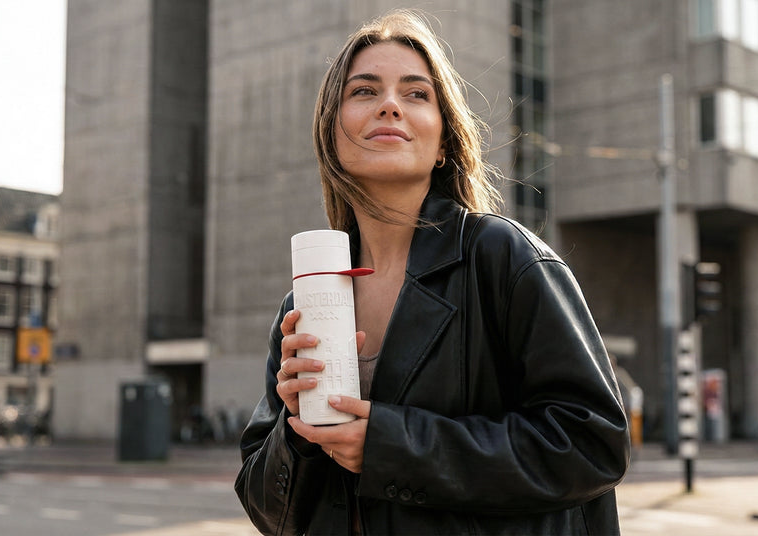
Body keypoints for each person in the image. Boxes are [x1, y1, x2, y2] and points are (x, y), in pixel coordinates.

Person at [235, 9, 630, 535]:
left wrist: (393, 447)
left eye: (417, 94)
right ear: (333, 133)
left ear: (443, 141)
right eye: (364, 91)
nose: (390, 106)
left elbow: (593, 444)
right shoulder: (306, 299)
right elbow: (272, 515)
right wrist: (299, 429)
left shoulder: (505, 258)